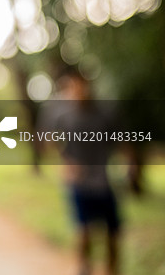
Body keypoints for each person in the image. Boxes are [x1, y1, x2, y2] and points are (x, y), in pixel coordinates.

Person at [45, 68, 122, 275]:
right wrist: (66, 162)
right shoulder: (62, 114)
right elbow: (49, 141)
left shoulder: (103, 112)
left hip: (104, 181)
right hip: (78, 183)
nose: (77, 91)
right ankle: (83, 269)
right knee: (84, 232)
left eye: (80, 85)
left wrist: (130, 164)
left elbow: (121, 139)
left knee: (113, 234)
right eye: (71, 87)